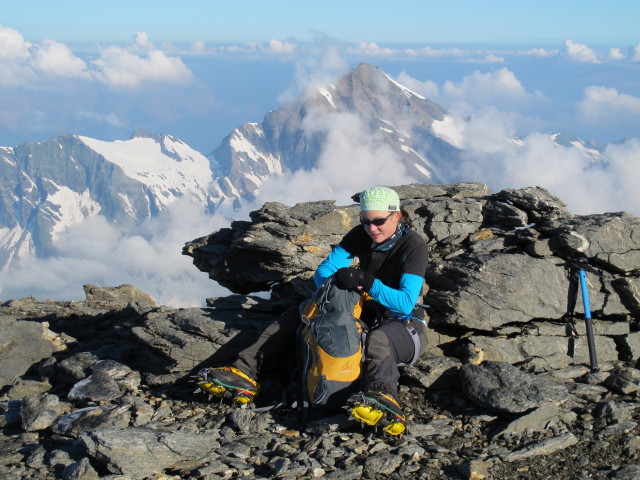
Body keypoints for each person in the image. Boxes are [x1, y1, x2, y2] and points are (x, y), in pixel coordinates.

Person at [198, 185, 429, 435]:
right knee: (300, 316)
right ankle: (244, 373)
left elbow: (406, 302)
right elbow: (323, 273)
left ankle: (384, 400)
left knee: (378, 340)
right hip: (364, 313)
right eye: (365, 221)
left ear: (396, 216)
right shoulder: (360, 235)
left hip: (404, 324)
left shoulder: (413, 246)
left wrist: (367, 283)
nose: (372, 228)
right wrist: (344, 280)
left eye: (379, 221)